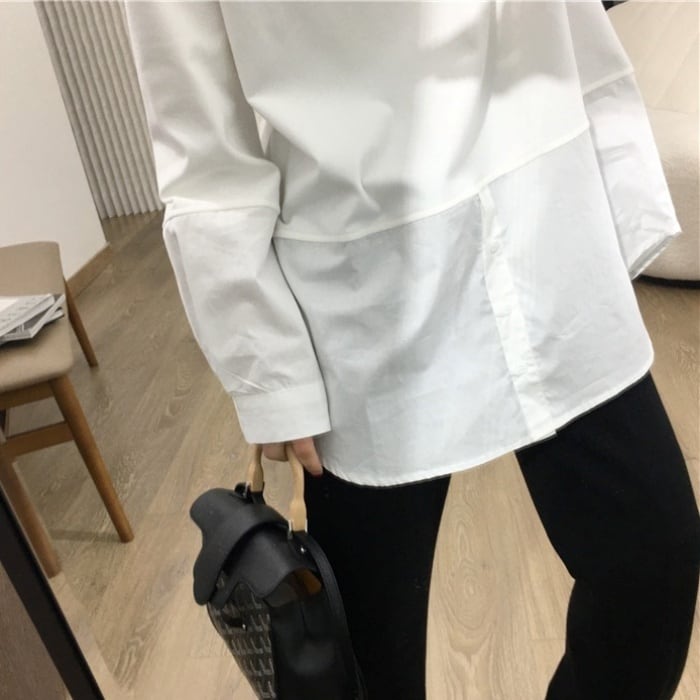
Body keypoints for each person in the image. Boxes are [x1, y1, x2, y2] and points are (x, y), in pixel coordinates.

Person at [125, 2, 700, 698]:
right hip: (362, 273)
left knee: (652, 564)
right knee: (371, 661)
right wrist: (265, 364)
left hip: (540, 208)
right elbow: (201, 146)